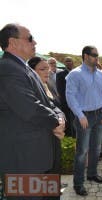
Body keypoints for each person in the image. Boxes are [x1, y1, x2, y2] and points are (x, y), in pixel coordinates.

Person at [0, 23, 65, 197]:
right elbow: (30, 107)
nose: (34, 42)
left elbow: (47, 101)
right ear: (13, 42)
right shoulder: (7, 68)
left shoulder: (24, 67)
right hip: (22, 161)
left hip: (36, 158)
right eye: (30, 38)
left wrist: (59, 118)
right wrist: (55, 122)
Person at [66, 46, 102, 196]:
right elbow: (70, 96)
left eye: (98, 54)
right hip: (84, 117)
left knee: (96, 149)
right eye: (94, 55)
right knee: (82, 152)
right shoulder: (75, 74)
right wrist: (80, 115)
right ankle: (78, 183)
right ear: (85, 56)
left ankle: (92, 174)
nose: (97, 57)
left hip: (99, 115)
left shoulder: (101, 75)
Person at [28, 56, 62, 174]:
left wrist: (61, 120)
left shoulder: (49, 85)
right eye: (43, 69)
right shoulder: (30, 90)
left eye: (48, 68)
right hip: (41, 141)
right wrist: (57, 122)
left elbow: (57, 107)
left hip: (55, 137)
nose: (47, 71)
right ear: (31, 71)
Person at [56, 57, 76, 137]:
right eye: (67, 61)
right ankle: (69, 136)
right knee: (68, 119)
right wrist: (67, 101)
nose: (68, 62)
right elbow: (60, 89)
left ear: (73, 62)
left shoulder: (76, 73)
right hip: (66, 102)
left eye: (70, 61)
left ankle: (75, 135)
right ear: (64, 63)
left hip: (77, 102)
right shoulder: (60, 74)